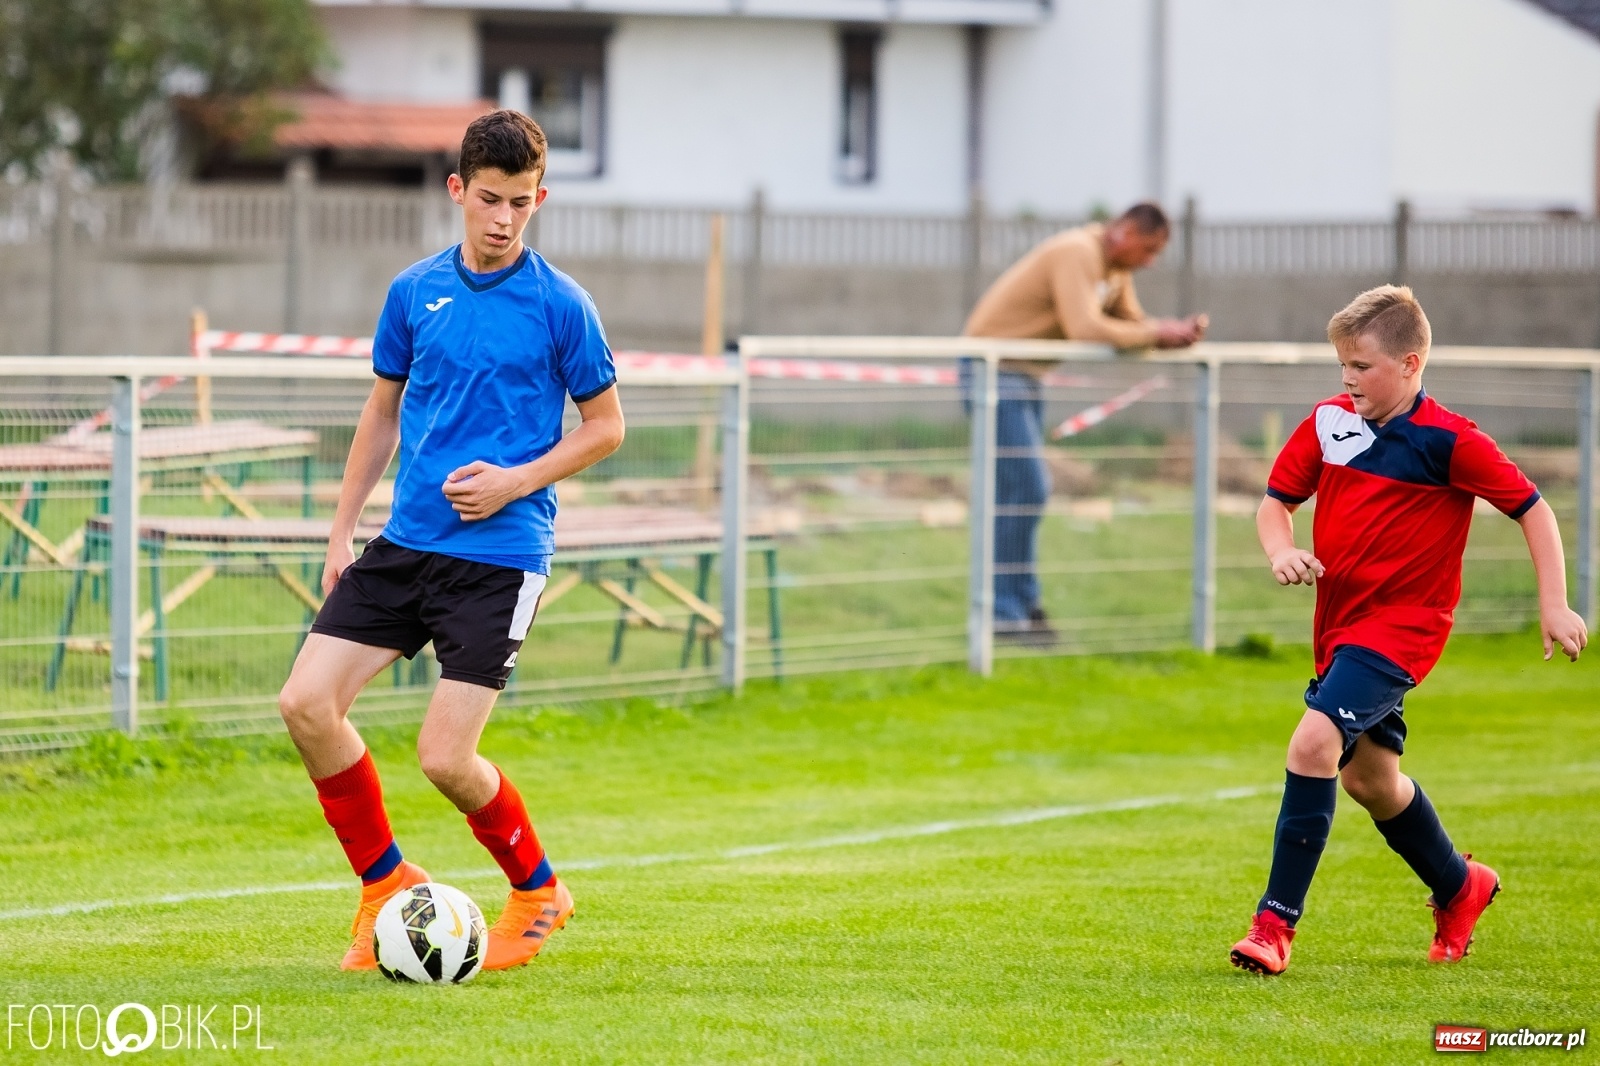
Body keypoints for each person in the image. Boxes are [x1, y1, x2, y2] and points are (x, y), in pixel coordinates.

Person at [276, 109, 625, 973]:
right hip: (404, 546)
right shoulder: (413, 292)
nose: (503, 219)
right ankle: (385, 886)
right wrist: (339, 530)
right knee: (305, 706)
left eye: (520, 203)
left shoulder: (560, 305)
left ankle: (540, 890)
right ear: (457, 191)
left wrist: (515, 480)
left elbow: (607, 427)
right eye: (489, 200)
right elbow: (381, 412)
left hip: (500, 561)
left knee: (444, 758)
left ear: (539, 198)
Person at [1229, 285, 1587, 976]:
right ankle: (1460, 885)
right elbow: (1276, 504)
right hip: (1340, 628)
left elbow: (1534, 511)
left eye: (1361, 365)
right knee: (1372, 780)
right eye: (1342, 363)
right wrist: (1282, 549)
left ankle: (1274, 926)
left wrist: (1555, 602)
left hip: (1402, 632)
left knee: (1313, 742)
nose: (1347, 377)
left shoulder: (1452, 440)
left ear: (1410, 363)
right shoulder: (1329, 421)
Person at [963, 202, 1207, 644]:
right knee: (1029, 489)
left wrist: (1174, 334)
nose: (1150, 262)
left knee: (1019, 495)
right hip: (994, 372)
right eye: (1148, 249)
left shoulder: (1115, 270)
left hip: (1023, 376)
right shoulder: (1077, 252)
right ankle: (1005, 612)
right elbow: (1086, 328)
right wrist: (1156, 334)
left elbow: (1133, 326)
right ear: (1125, 232)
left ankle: (1018, 607)